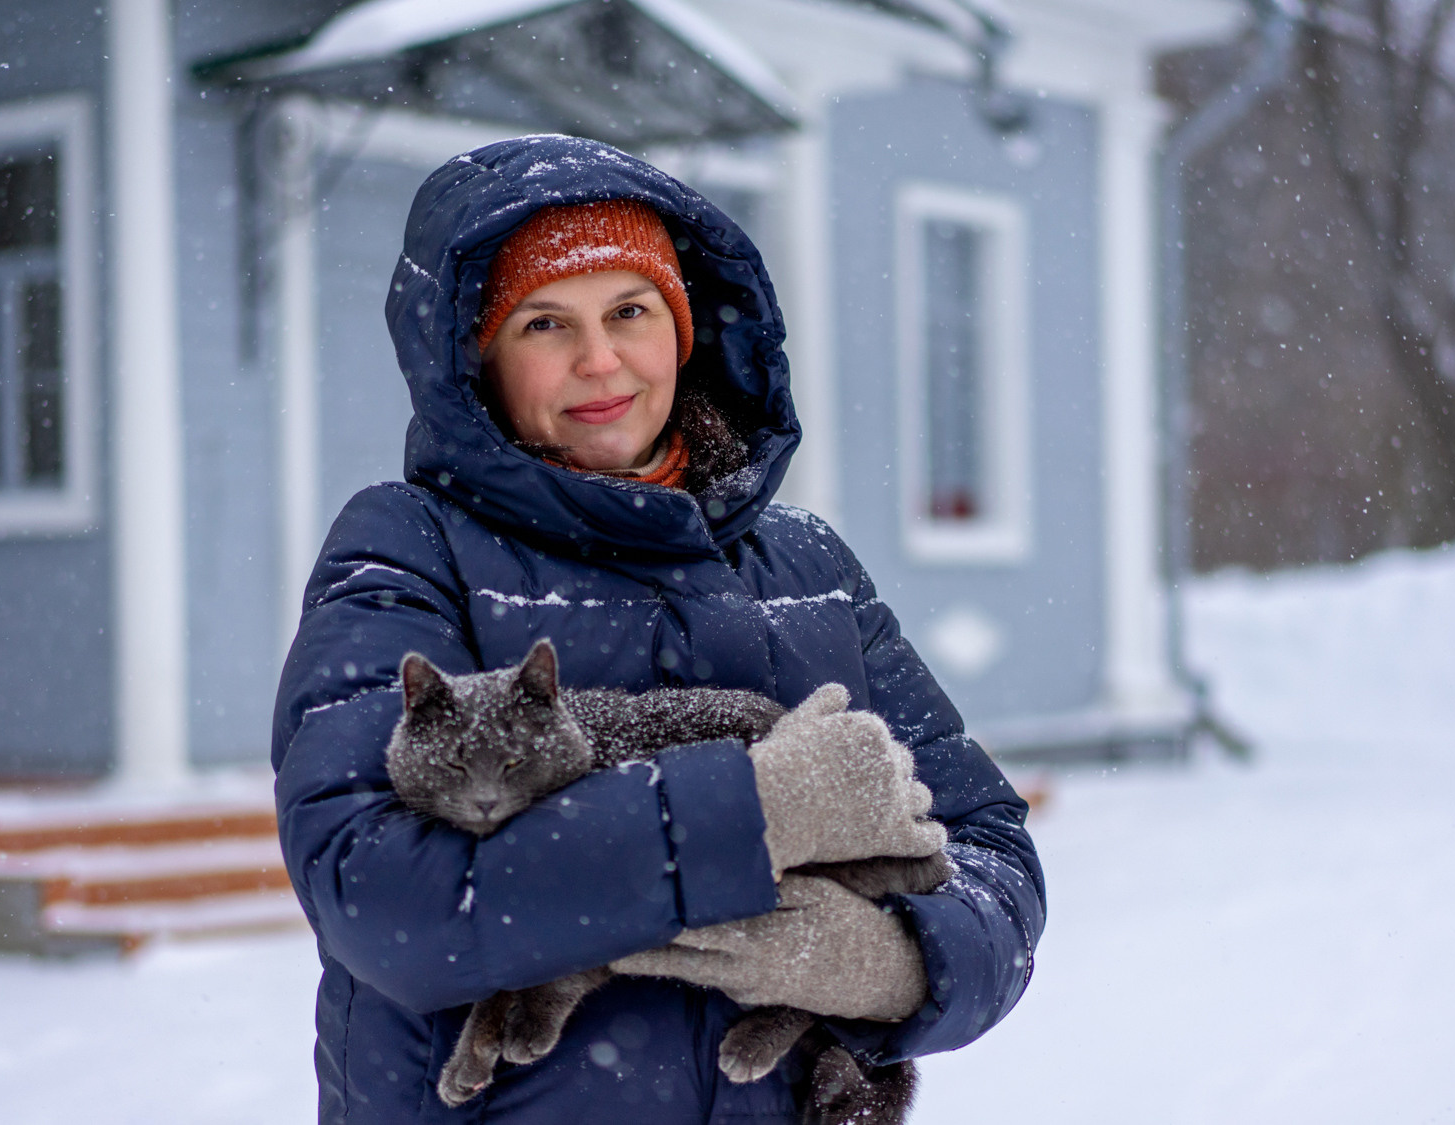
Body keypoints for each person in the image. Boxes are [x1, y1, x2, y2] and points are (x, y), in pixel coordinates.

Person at [271, 134, 1045, 1125]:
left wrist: (893, 963)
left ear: (680, 331)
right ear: (480, 357)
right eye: (544, 323)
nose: (599, 361)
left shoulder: (806, 562)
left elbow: (988, 848)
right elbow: (376, 895)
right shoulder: (408, 547)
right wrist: (755, 813)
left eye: (629, 311)